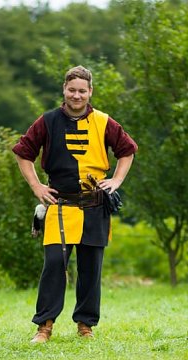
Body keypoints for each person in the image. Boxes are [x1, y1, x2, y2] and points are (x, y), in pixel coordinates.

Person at [12, 65, 137, 343]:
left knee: (91, 268)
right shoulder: (47, 121)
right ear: (64, 90)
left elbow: (127, 150)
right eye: (72, 90)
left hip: (95, 205)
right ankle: (44, 327)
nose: (77, 96)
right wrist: (36, 186)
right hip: (60, 206)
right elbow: (23, 153)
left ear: (90, 91)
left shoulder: (104, 122)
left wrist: (115, 180)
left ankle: (85, 326)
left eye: (82, 91)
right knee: (55, 264)